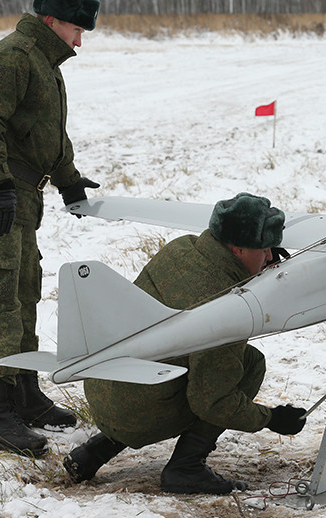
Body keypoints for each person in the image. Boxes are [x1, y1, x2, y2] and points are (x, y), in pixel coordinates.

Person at [63, 193, 308, 494]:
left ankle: (94, 451)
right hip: (138, 410)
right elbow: (213, 402)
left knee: (167, 361)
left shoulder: (180, 249)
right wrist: (270, 419)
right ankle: (186, 468)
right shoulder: (225, 303)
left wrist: (260, 261)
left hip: (104, 387)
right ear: (238, 248)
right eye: (264, 249)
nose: (271, 257)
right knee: (250, 364)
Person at [0, 0, 101, 457]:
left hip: (23, 196)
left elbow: (44, 137)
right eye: (76, 29)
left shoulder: (44, 63)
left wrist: (69, 179)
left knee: (23, 295)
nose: (80, 40)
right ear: (51, 21)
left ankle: (24, 396)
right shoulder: (14, 57)